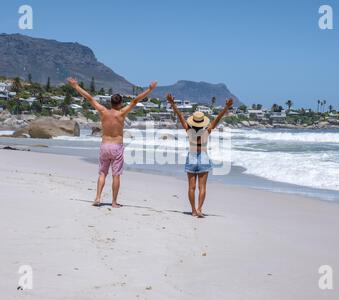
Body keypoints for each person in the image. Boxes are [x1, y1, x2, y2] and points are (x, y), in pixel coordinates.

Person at [68, 77, 157, 207]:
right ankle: (114, 202)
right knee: (116, 175)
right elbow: (135, 101)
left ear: (110, 103)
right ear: (120, 103)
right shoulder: (121, 113)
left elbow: (90, 98)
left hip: (104, 146)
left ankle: (97, 198)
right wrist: (149, 89)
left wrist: (76, 86)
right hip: (116, 147)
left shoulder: (103, 111)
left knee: (102, 173)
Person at [167, 94, 234, 217]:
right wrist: (226, 107)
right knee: (202, 187)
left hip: (192, 156)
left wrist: (172, 103)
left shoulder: (188, 130)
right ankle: (199, 209)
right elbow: (218, 119)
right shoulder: (206, 131)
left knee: (191, 187)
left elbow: (180, 115)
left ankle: (193, 210)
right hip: (203, 156)